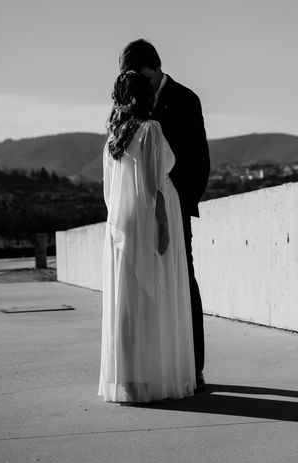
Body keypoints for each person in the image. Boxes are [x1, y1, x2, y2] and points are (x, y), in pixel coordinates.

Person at [98, 71, 196, 403]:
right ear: (145, 96)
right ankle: (156, 377)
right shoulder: (150, 130)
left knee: (126, 300)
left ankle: (128, 380)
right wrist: (165, 226)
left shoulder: (113, 140)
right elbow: (155, 183)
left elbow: (109, 194)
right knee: (157, 295)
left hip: (120, 224)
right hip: (150, 217)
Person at [119, 39, 210, 392]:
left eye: (136, 73)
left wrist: (177, 208)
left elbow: (198, 161)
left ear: (153, 68)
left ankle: (193, 366)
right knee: (145, 288)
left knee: (183, 281)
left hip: (174, 207)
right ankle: (157, 366)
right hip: (138, 214)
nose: (132, 81)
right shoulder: (129, 103)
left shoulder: (186, 99)